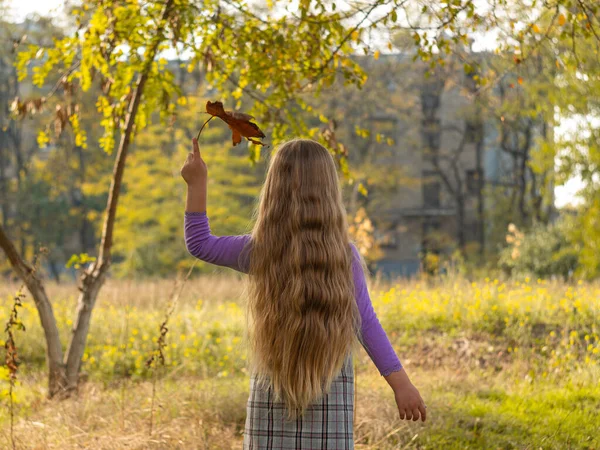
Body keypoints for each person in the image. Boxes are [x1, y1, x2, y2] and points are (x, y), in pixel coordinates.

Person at [181, 137, 426, 449]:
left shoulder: (259, 251)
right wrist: (401, 384)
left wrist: (197, 183)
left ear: (274, 191)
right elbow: (367, 324)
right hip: (330, 395)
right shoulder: (343, 256)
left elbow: (200, 243)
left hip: (272, 392)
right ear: (328, 192)